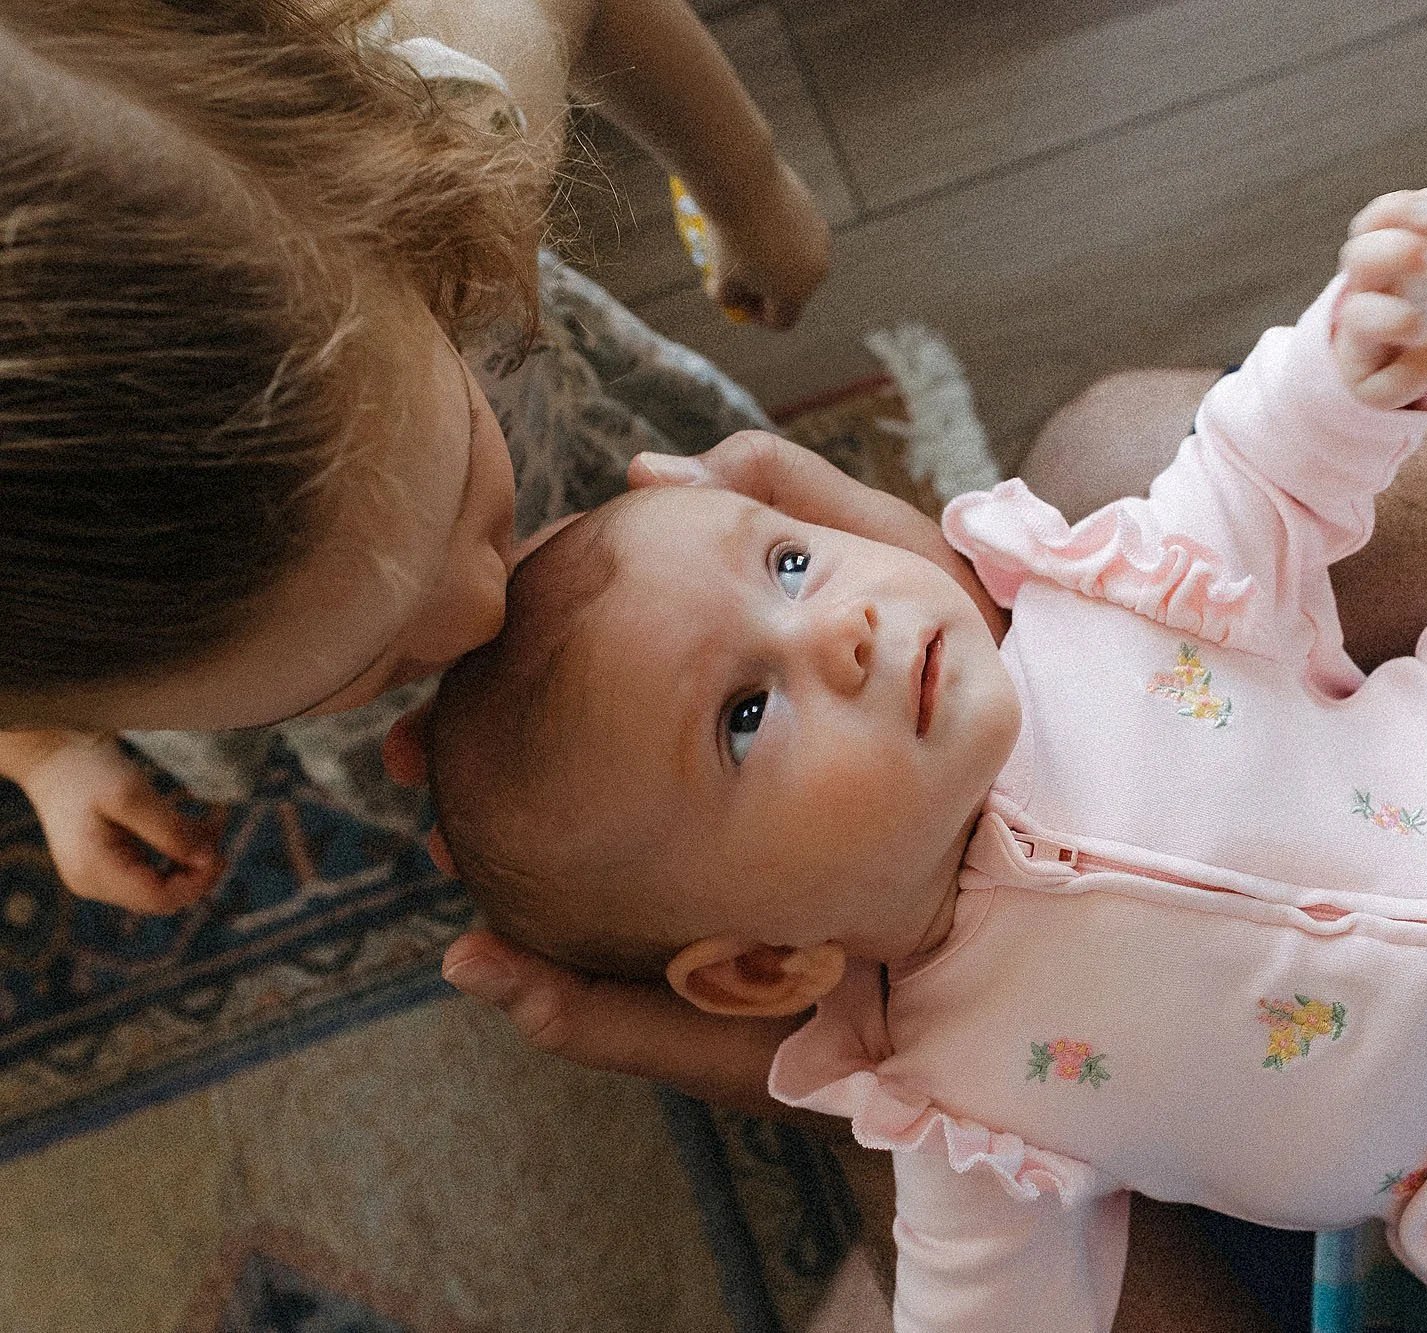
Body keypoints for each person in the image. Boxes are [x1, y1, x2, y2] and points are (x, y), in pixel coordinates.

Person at [422, 188, 1427, 1325]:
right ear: (765, 968)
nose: (830, 627)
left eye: (785, 563)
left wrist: (1352, 356)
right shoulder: (963, 1114)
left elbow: (1246, 480)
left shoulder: (1092, 611)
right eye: (745, 716)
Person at [0, 0, 862, 906]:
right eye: (364, 663)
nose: (485, 614)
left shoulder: (442, 133)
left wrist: (751, 189)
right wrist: (47, 754)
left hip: (559, 428)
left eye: (456, 493)